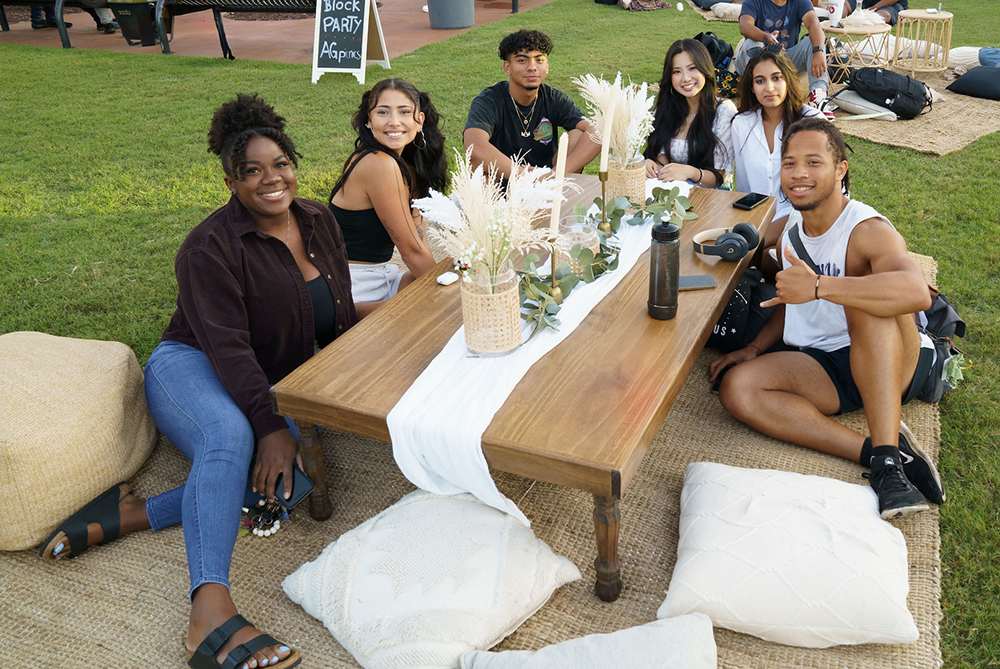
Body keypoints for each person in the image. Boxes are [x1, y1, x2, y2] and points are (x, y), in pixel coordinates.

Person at [38, 94, 358, 669]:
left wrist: (329, 402)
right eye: (251, 171)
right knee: (231, 441)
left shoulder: (317, 219)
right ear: (230, 180)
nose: (270, 179)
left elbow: (338, 312)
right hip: (190, 363)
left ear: (294, 162)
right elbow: (228, 349)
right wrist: (269, 425)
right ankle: (209, 613)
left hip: (262, 376)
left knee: (286, 486)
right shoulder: (208, 247)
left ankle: (135, 513)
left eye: (280, 163)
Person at [708, 118, 945, 521]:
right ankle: (878, 450)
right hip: (828, 365)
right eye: (789, 164)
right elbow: (790, 300)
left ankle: (886, 470)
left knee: (864, 298)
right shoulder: (789, 231)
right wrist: (753, 348)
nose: (799, 174)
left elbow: (914, 292)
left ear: (840, 169)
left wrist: (819, 285)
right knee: (738, 389)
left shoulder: (866, 229)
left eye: (813, 162)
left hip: (895, 360)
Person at [330, 78, 446, 302]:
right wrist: (449, 299)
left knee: (453, 273)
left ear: (419, 120)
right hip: (354, 288)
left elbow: (419, 242)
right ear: (369, 121)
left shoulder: (407, 166)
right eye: (383, 112)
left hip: (382, 278)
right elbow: (411, 252)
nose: (394, 122)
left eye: (404, 112)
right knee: (444, 296)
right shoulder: (379, 164)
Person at [464, 29, 600, 179]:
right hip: (502, 181)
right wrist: (526, 177)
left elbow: (597, 131)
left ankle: (558, 189)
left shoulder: (554, 98)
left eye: (539, 60)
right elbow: (474, 148)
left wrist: (554, 175)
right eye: (522, 60)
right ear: (507, 67)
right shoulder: (489, 100)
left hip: (547, 182)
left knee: (578, 132)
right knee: (480, 168)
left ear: (547, 66)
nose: (532, 67)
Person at [731, 50, 822, 274]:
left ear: (788, 79)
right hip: (758, 219)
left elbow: (827, 189)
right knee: (744, 256)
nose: (769, 88)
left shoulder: (811, 121)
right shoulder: (742, 124)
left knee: (741, 254)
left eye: (776, 78)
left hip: (804, 217)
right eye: (760, 81)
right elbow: (743, 186)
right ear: (752, 87)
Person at [643, 39, 736, 188]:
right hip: (669, 195)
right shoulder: (665, 108)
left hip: (710, 198)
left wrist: (691, 172)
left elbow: (719, 177)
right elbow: (661, 162)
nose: (685, 78)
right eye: (677, 71)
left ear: (705, 68)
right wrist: (650, 164)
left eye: (692, 68)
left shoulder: (723, 111)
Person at [734, 0, 832, 113]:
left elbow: (814, 24)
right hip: (755, 58)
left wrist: (818, 51)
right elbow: (745, 26)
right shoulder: (753, 1)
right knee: (753, 43)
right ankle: (754, 99)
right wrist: (765, 37)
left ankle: (818, 97)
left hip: (784, 59)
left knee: (813, 42)